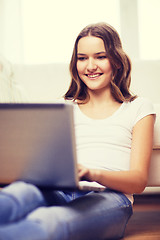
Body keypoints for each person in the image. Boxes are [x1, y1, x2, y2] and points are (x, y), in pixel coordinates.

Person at [0, 23, 156, 240]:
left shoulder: (139, 107)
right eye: (82, 58)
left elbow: (138, 181)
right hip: (60, 190)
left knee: (51, 221)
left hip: (110, 198)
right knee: (16, 196)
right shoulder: (63, 106)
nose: (90, 66)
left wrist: (92, 173)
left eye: (100, 56)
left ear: (117, 61)